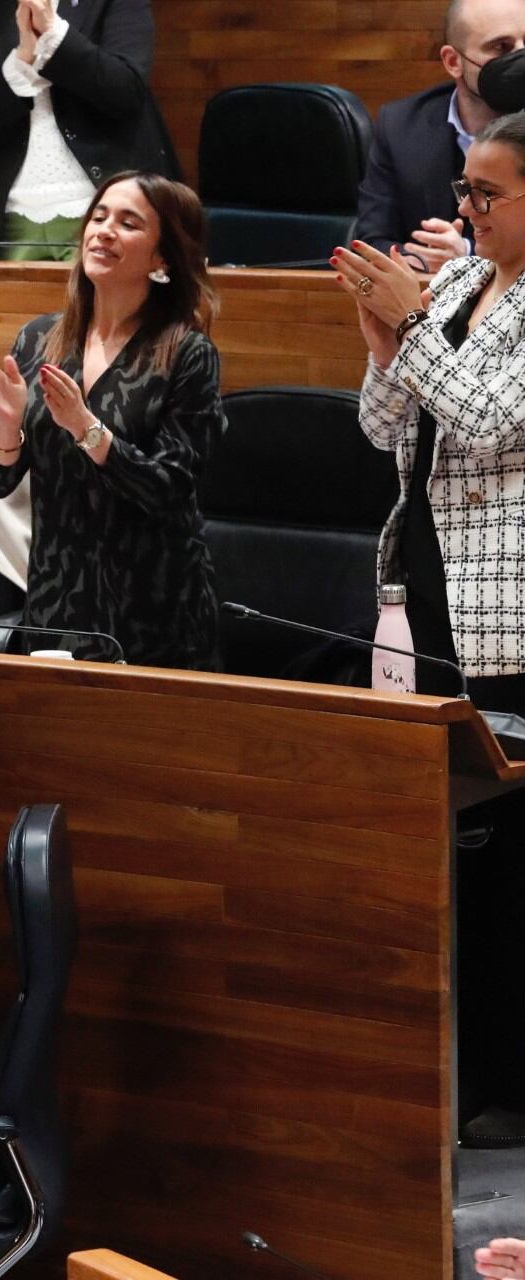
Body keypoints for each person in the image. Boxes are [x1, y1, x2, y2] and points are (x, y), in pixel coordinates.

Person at [337, 113, 525, 1148]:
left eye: (488, 195)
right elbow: (384, 428)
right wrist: (385, 345)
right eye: (465, 190)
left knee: (513, 851)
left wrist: (410, 336)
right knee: (461, 842)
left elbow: (494, 420)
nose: (467, 209)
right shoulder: (453, 287)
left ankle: (515, 1075)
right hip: (432, 585)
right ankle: (475, 1063)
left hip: (516, 606)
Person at [0, 171, 224, 669]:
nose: (104, 231)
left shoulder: (187, 355)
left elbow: (171, 487)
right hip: (56, 599)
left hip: (152, 610)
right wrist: (7, 424)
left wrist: (89, 430)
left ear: (163, 257)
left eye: (128, 223)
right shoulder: (40, 339)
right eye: (99, 217)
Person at [0, 0, 174, 260]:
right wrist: (21, 63)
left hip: (100, 212)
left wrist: (54, 36)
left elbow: (127, 89)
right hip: (6, 217)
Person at [355, 0, 525, 271]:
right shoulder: (400, 126)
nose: (520, 57)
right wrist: (419, 261)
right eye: (501, 48)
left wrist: (467, 257)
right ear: (453, 61)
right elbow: (372, 240)